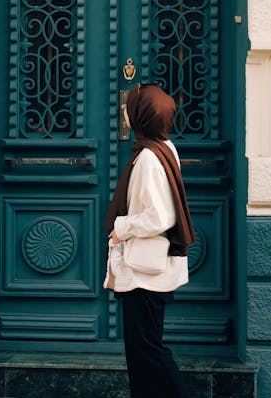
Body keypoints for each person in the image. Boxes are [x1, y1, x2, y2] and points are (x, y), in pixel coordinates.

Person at [104, 83, 196, 398]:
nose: (125, 114)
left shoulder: (148, 158)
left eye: (130, 108)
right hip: (152, 268)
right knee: (144, 351)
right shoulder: (164, 147)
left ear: (142, 115)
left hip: (145, 271)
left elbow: (160, 217)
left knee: (146, 351)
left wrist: (123, 227)